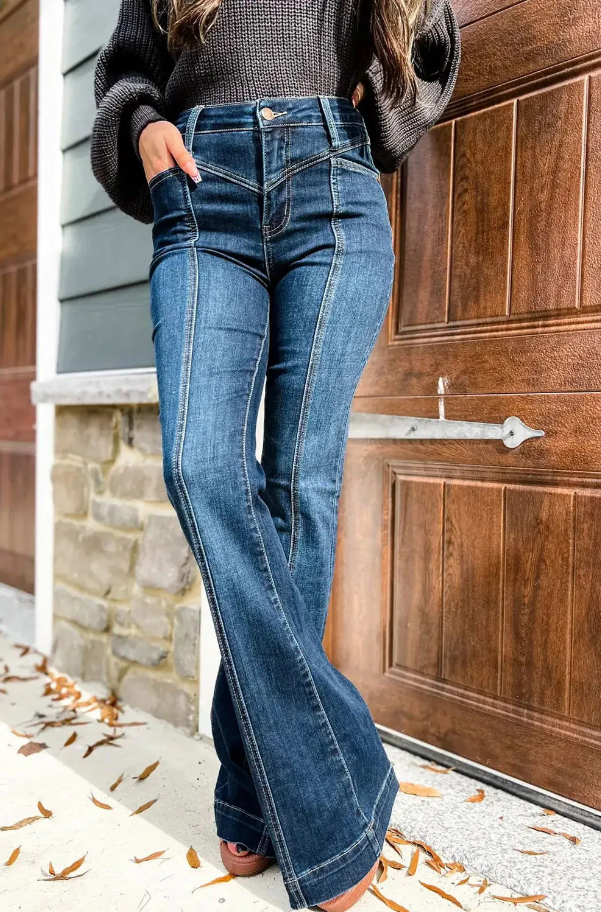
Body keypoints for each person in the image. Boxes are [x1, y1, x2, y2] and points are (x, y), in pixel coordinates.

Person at [91, 2, 460, 909]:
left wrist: (371, 103)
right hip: (198, 187)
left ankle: (253, 794)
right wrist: (141, 128)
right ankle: (338, 784)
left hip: (329, 182)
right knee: (199, 467)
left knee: (299, 491)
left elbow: (432, 42)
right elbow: (126, 70)